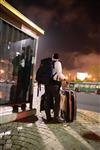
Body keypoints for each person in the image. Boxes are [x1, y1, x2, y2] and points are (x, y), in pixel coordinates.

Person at [44, 53, 66, 123]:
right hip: (54, 85)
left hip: (47, 84)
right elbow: (59, 74)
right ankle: (56, 118)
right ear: (58, 58)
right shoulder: (58, 63)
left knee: (47, 100)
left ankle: (48, 117)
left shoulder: (47, 63)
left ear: (52, 57)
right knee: (57, 100)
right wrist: (64, 78)